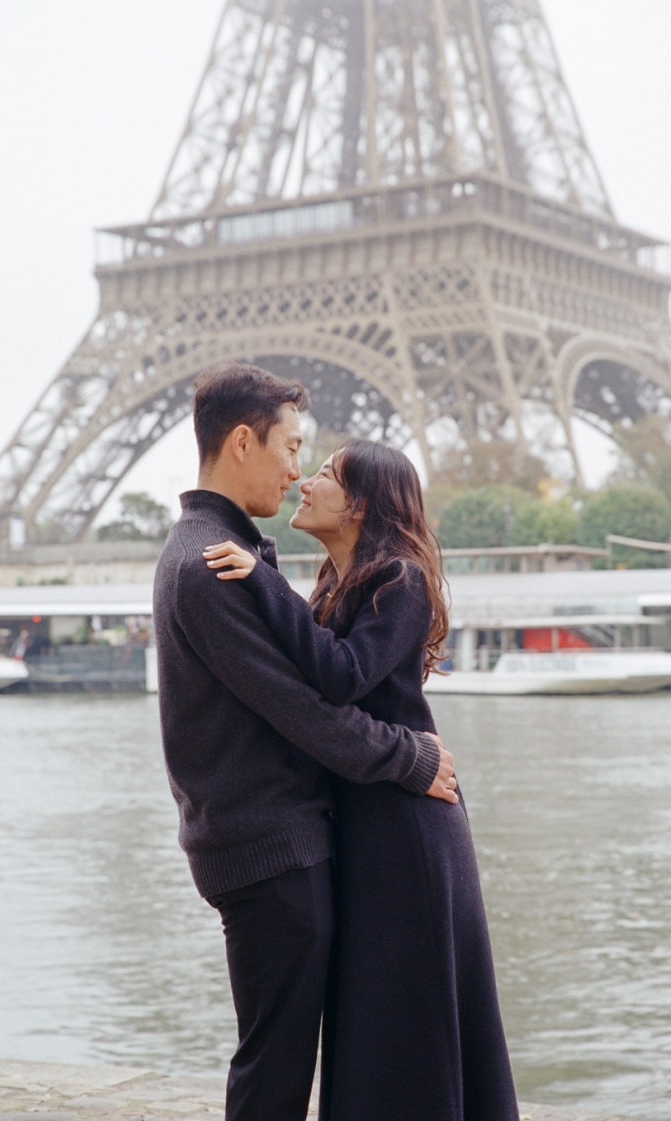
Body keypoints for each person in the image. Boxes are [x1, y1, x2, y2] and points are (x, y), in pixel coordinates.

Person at [152, 363, 458, 1121]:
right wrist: (411, 754)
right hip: (269, 849)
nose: (297, 471)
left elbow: (323, 682)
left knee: (298, 1055)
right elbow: (305, 709)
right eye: (292, 448)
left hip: (281, 839)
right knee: (277, 1067)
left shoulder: (225, 550)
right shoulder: (211, 563)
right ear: (244, 441)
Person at [203, 437, 520, 1121]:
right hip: (370, 815)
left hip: (407, 824)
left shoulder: (399, 580)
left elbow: (342, 675)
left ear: (362, 505)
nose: (305, 480)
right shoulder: (334, 583)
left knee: (405, 1011)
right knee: (375, 1012)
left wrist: (262, 582)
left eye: (324, 473)